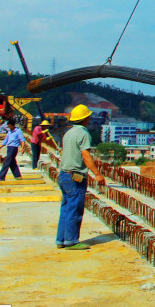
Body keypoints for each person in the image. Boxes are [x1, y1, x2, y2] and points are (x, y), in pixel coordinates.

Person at [56, 104, 106, 250]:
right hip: (75, 177)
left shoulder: (68, 133)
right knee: (74, 210)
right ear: (85, 118)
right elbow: (86, 155)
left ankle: (61, 240)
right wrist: (97, 174)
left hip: (64, 175)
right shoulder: (83, 133)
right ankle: (71, 241)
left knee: (65, 209)